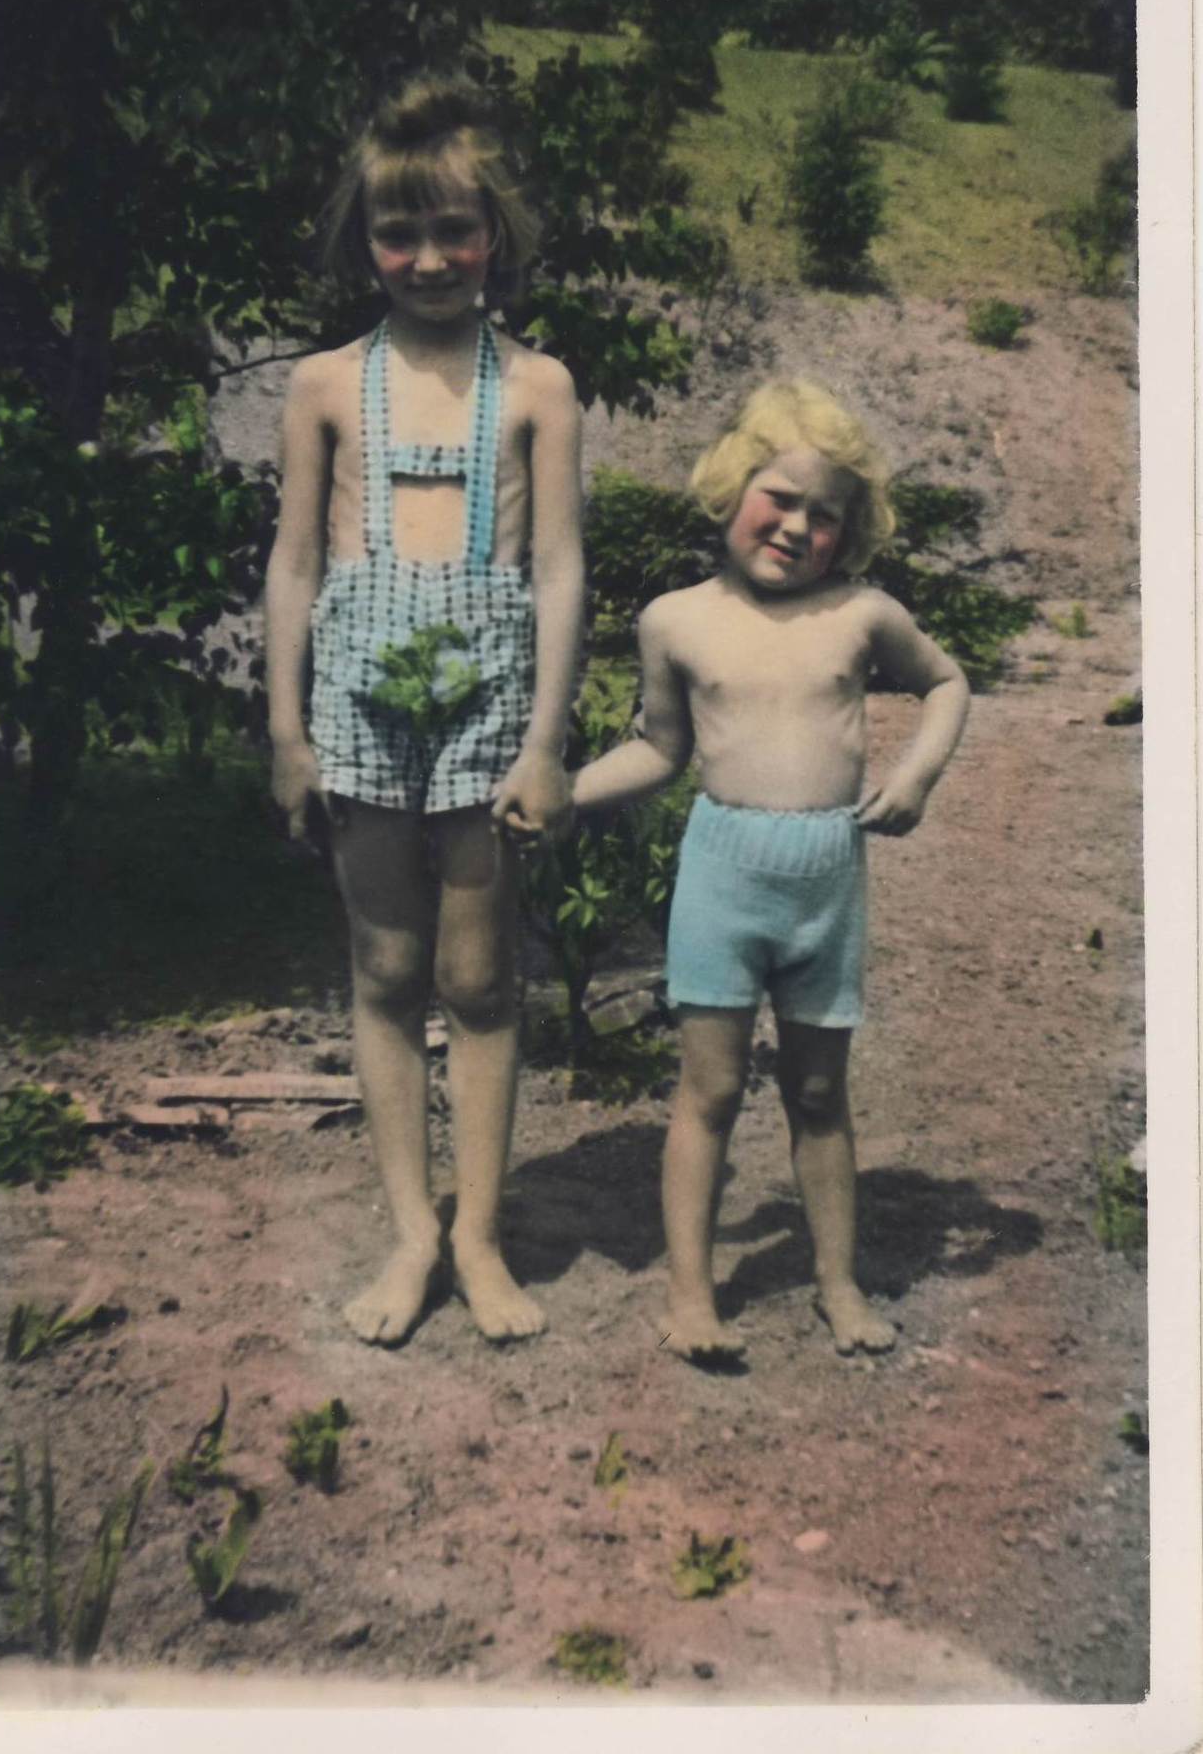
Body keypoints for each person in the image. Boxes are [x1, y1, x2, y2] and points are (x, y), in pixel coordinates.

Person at [265, 76, 583, 1346]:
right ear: (367, 243)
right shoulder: (324, 384)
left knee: (478, 975)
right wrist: (286, 731)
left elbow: (558, 568)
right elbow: (295, 562)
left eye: (455, 229)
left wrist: (545, 740)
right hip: (355, 703)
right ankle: (410, 1229)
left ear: (494, 230)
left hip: (488, 707)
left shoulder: (540, 387)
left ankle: (479, 1234)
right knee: (388, 968)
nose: (431, 259)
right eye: (401, 234)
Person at [572, 381, 969, 1364]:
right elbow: (658, 748)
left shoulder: (862, 614)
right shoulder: (674, 620)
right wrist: (565, 793)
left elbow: (946, 682)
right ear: (730, 488)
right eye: (779, 498)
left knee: (819, 1093)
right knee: (707, 1090)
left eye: (823, 515)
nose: (796, 527)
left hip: (824, 882)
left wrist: (914, 775)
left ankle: (837, 1282)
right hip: (721, 879)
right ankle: (689, 1294)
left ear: (849, 531)